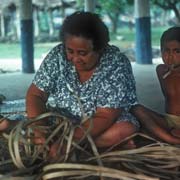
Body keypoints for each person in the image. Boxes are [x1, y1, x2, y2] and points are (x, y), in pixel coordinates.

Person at [26, 11, 140, 158]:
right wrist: (40, 130)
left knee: (125, 129)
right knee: (35, 116)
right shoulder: (57, 56)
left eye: (82, 53)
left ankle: (71, 142)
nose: (75, 58)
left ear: (100, 49)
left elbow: (105, 116)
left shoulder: (116, 64)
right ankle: (99, 145)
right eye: (70, 51)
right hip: (63, 121)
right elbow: (36, 95)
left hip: (101, 125)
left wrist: (68, 141)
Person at [130, 26, 180, 144]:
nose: (170, 56)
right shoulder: (161, 71)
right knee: (136, 108)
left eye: (177, 51)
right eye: (166, 50)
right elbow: (168, 98)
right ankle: (172, 139)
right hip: (169, 122)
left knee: (145, 133)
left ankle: (166, 137)